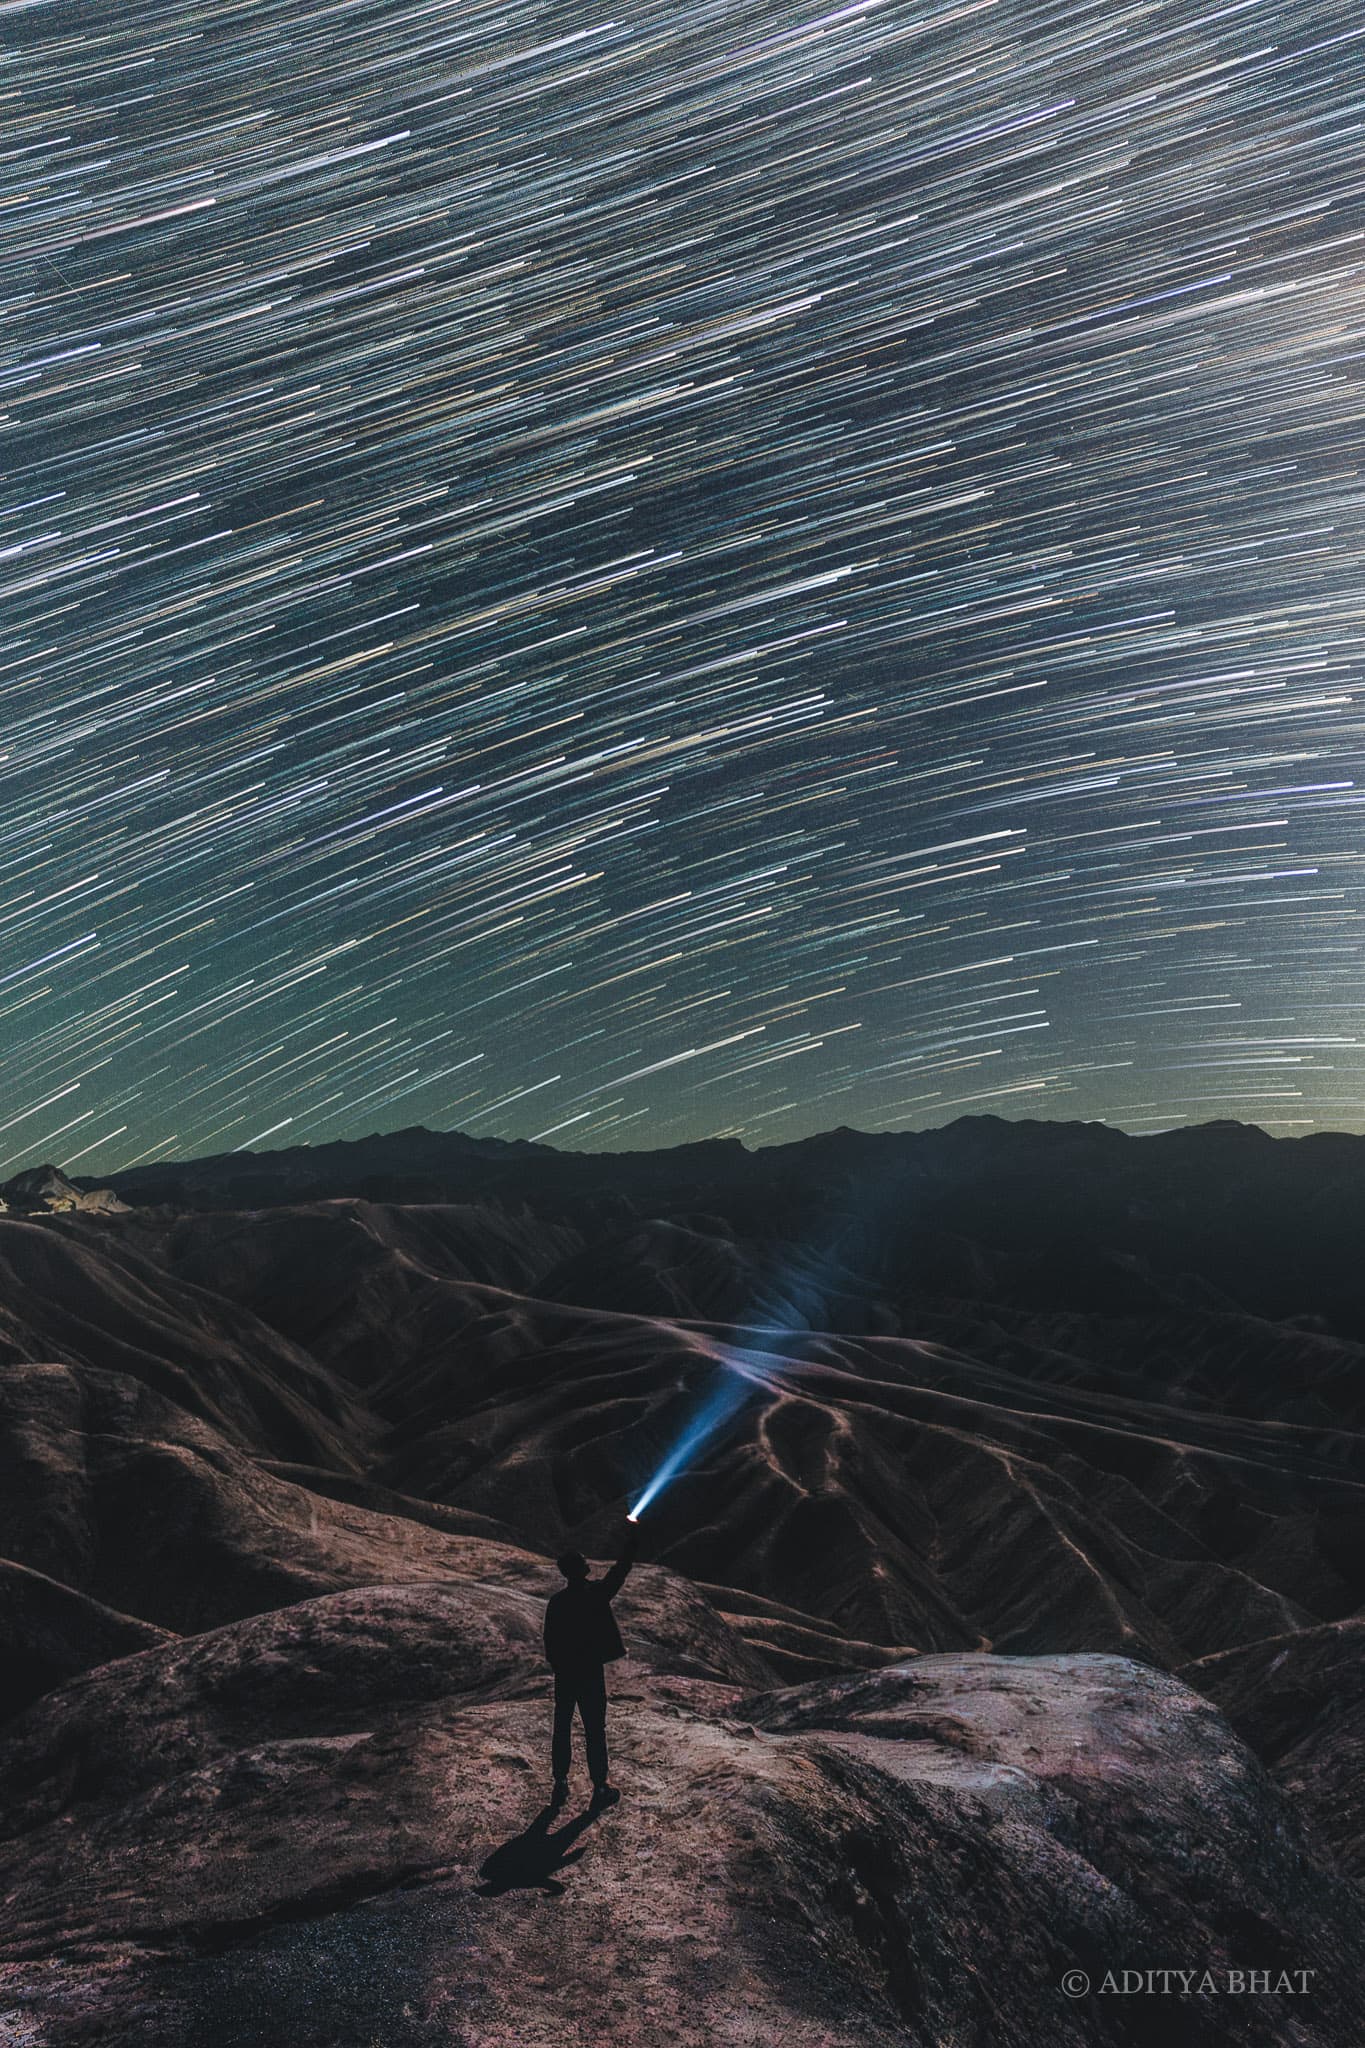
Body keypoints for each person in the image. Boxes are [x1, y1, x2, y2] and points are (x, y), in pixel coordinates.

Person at [543, 1519, 641, 1809]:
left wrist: (560, 1665)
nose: (588, 1562)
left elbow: (550, 1640)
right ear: (579, 1568)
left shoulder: (557, 1602)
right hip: (589, 1673)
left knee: (562, 1726)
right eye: (584, 1561)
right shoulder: (594, 1594)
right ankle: (599, 1788)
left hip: (566, 1673)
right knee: (595, 1729)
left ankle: (560, 1784)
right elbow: (620, 1572)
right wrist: (632, 1539)